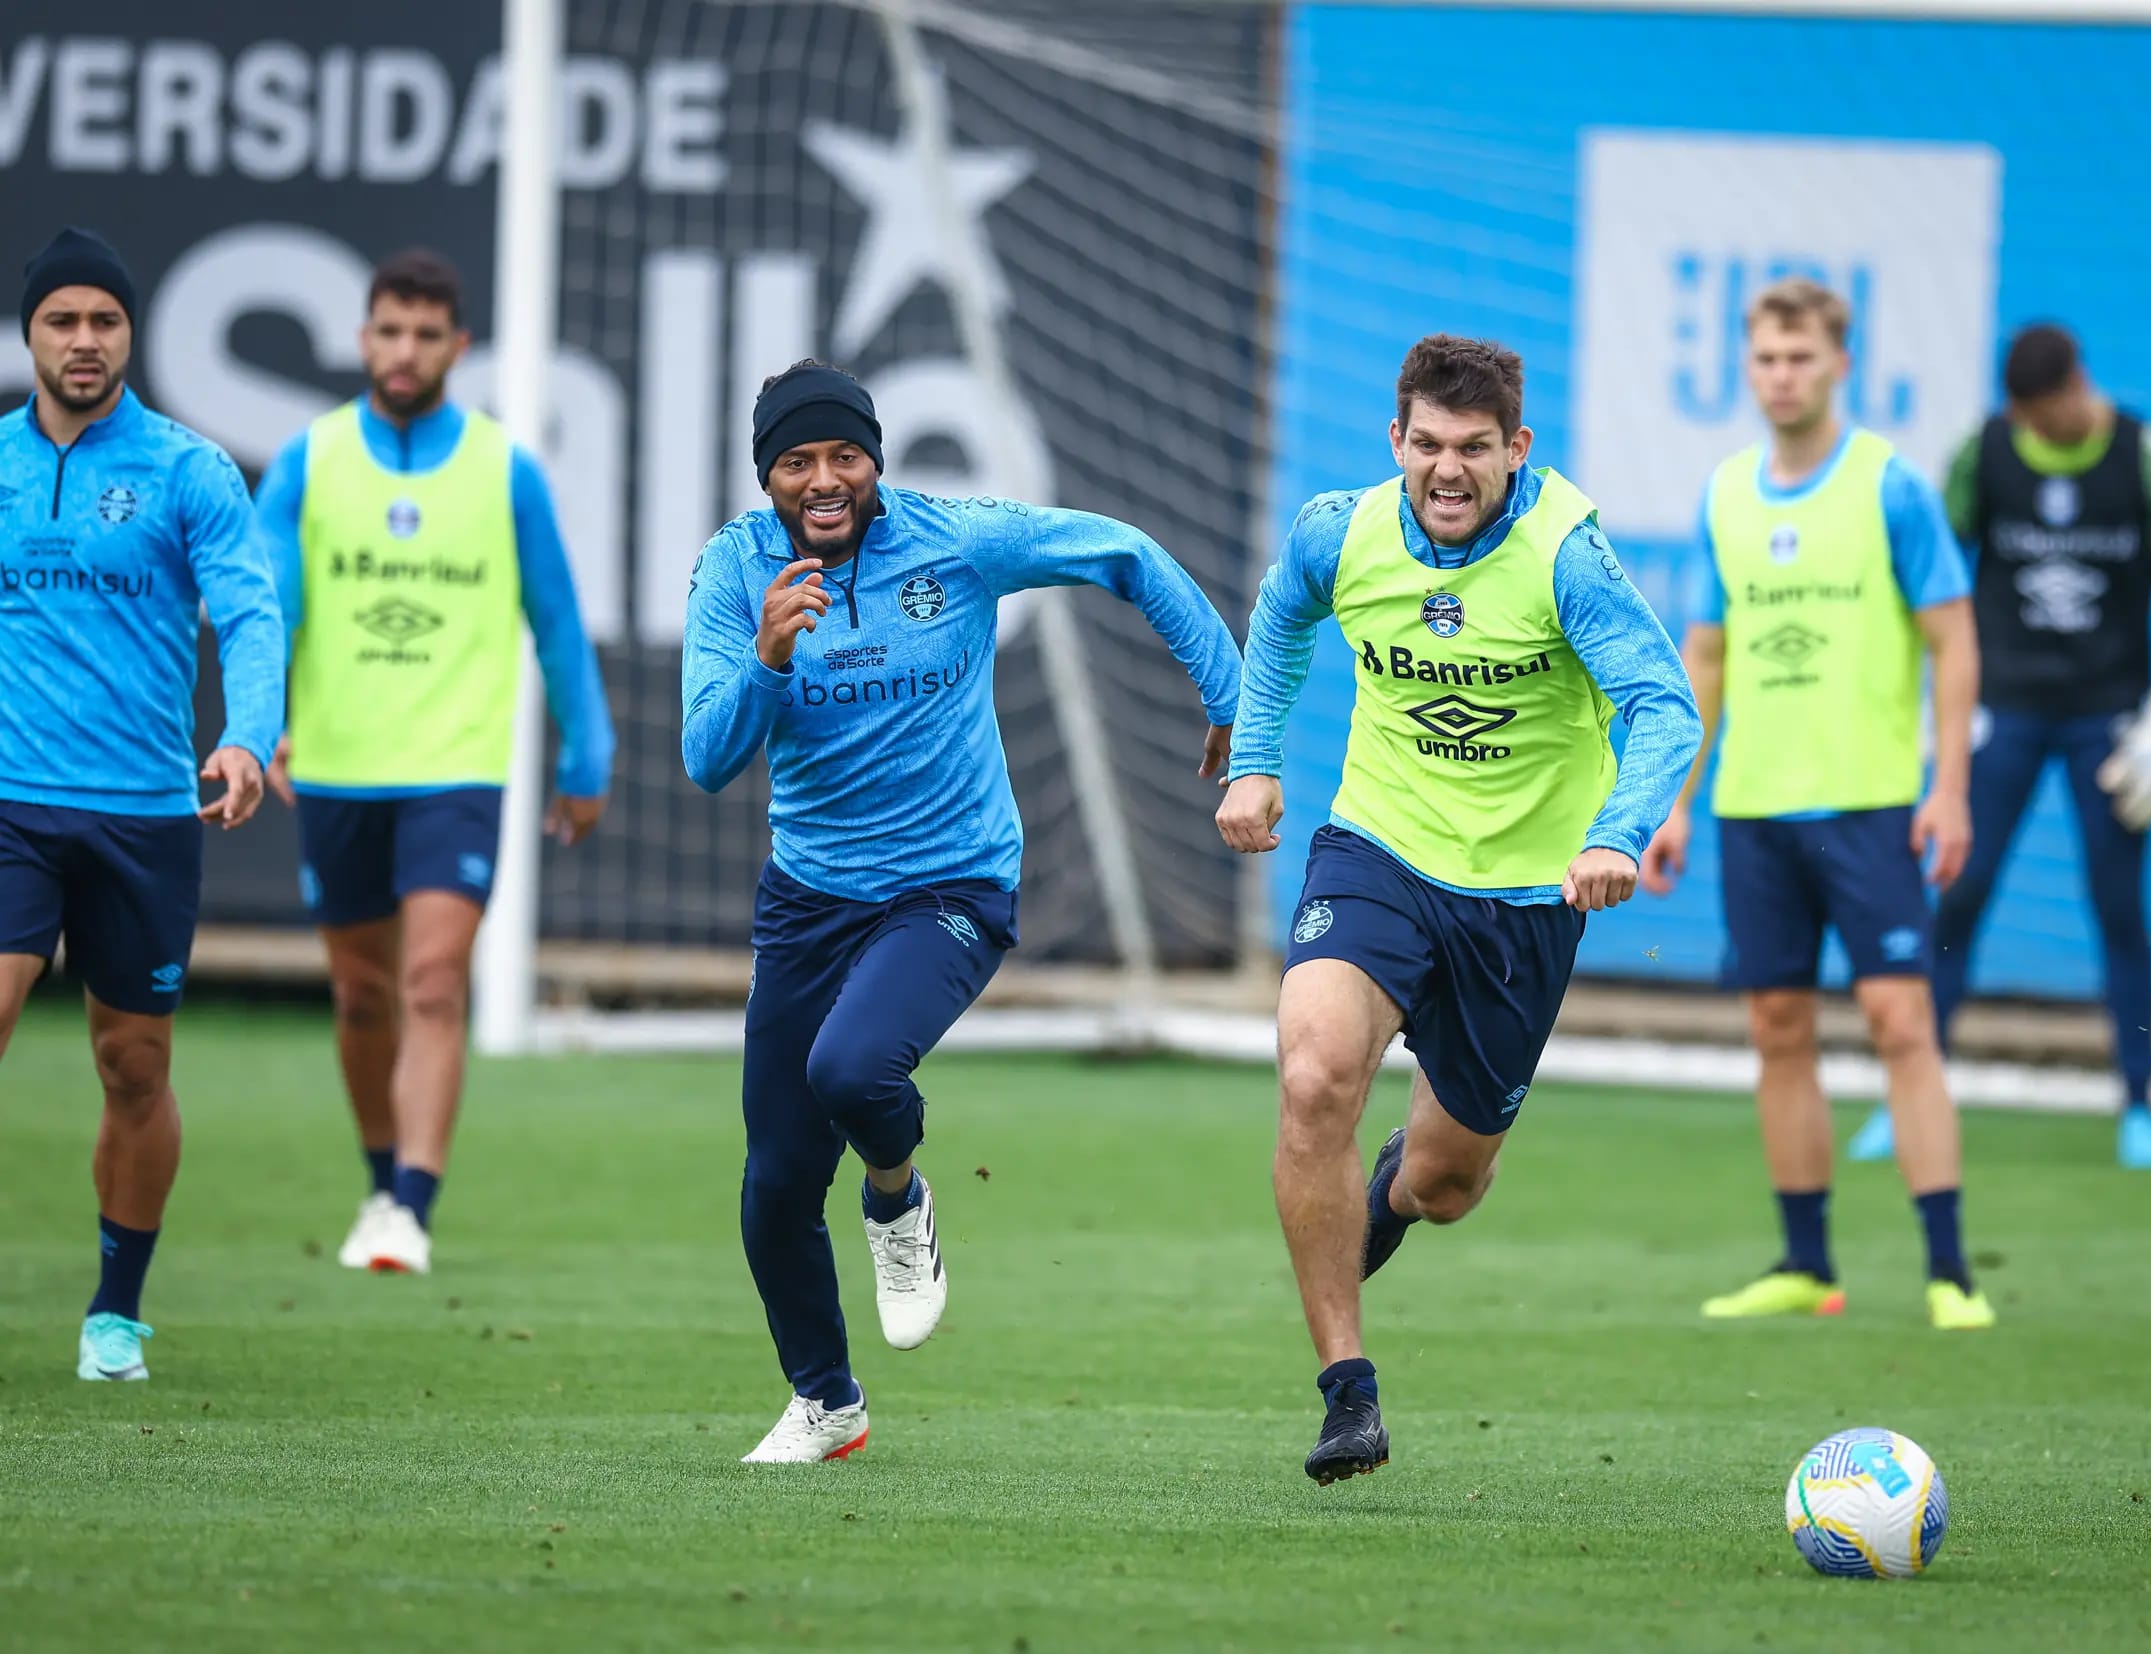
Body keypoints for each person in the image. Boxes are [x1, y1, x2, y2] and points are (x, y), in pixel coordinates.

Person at [684, 359, 1241, 1465]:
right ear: (767, 478)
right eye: (796, 462)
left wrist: (1237, 708)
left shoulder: (957, 539)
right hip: (808, 899)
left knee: (851, 1071)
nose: (824, 479)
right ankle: (825, 1403)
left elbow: (1124, 553)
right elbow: (708, 759)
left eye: (844, 455)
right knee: (774, 1183)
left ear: (876, 460)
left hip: (949, 887)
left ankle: (897, 1202)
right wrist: (765, 659)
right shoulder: (734, 569)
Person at [1220, 334, 1701, 1484]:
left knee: (1445, 1186)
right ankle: (1347, 1391)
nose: (1447, 470)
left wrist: (1613, 834)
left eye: (1472, 449)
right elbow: (1282, 615)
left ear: (1514, 449)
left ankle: (1391, 1185)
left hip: (1522, 902)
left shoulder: (1563, 557)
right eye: (1425, 445)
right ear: (1395, 442)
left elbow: (1662, 703)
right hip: (1376, 851)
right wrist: (1253, 757)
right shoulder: (1341, 529)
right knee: (1312, 1073)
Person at [1640, 278, 1995, 1332]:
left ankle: (1947, 1271)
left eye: (1798, 357)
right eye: (1763, 359)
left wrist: (1949, 788)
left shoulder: (1890, 487)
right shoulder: (1725, 495)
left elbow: (1953, 638)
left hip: (1872, 806)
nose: (1779, 375)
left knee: (1899, 1021)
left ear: (1838, 363)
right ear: (1745, 368)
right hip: (1753, 808)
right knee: (1777, 1026)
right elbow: (1703, 657)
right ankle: (1805, 1262)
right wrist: (1671, 803)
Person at [254, 249, 614, 1276]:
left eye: (425, 334)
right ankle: (379, 1179)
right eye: (387, 330)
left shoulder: (506, 471)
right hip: (332, 767)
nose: (403, 351)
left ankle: (411, 1201)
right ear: (362, 337)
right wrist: (259, 716)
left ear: (457, 347)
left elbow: (556, 624)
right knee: (362, 994)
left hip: (456, 770)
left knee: (432, 979)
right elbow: (267, 611)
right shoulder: (308, 462)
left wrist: (586, 757)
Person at [0, 227, 286, 1380]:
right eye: (62, 320)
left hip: (142, 817)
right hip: (12, 802)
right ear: (30, 333)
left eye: (103, 321)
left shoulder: (187, 469)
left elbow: (253, 616)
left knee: (134, 1069)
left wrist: (248, 740)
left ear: (131, 335)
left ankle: (116, 1310)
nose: (83, 340)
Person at [1844, 323, 2151, 1171]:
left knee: (2119, 909)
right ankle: (1910, 1092)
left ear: (2080, 382)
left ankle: (2142, 1106)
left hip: (2110, 719)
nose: (2043, 430)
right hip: (2001, 712)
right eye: (2029, 419)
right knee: (1955, 896)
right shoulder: (1985, 453)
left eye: (2054, 413)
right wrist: (1940, 706)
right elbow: (1936, 583)